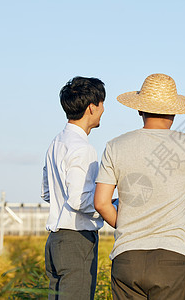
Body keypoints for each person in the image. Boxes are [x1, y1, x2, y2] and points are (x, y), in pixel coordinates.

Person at [94, 73, 185, 299]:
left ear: (139, 109)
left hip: (127, 257)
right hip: (172, 258)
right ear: (175, 111)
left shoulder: (115, 146)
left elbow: (101, 203)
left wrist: (130, 226)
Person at [41, 76, 106, 300]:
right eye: (102, 103)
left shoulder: (56, 143)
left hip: (55, 242)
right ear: (91, 107)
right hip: (77, 240)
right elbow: (80, 201)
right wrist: (110, 205)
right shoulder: (83, 149)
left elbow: (47, 192)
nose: (103, 109)